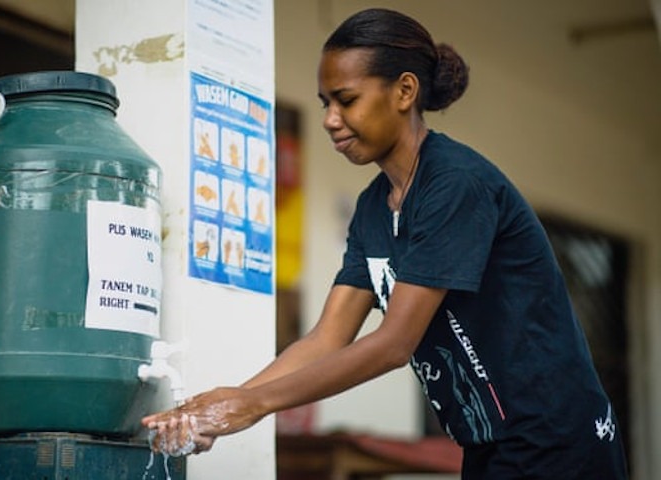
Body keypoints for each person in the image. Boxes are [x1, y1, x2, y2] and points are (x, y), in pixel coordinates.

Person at [142, 8, 628, 478]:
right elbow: (327, 339)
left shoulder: (455, 183)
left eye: (346, 100)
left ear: (404, 91)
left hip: (559, 441)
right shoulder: (375, 207)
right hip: (489, 442)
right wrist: (226, 403)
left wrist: (254, 405)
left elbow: (395, 344)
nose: (331, 119)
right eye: (324, 103)